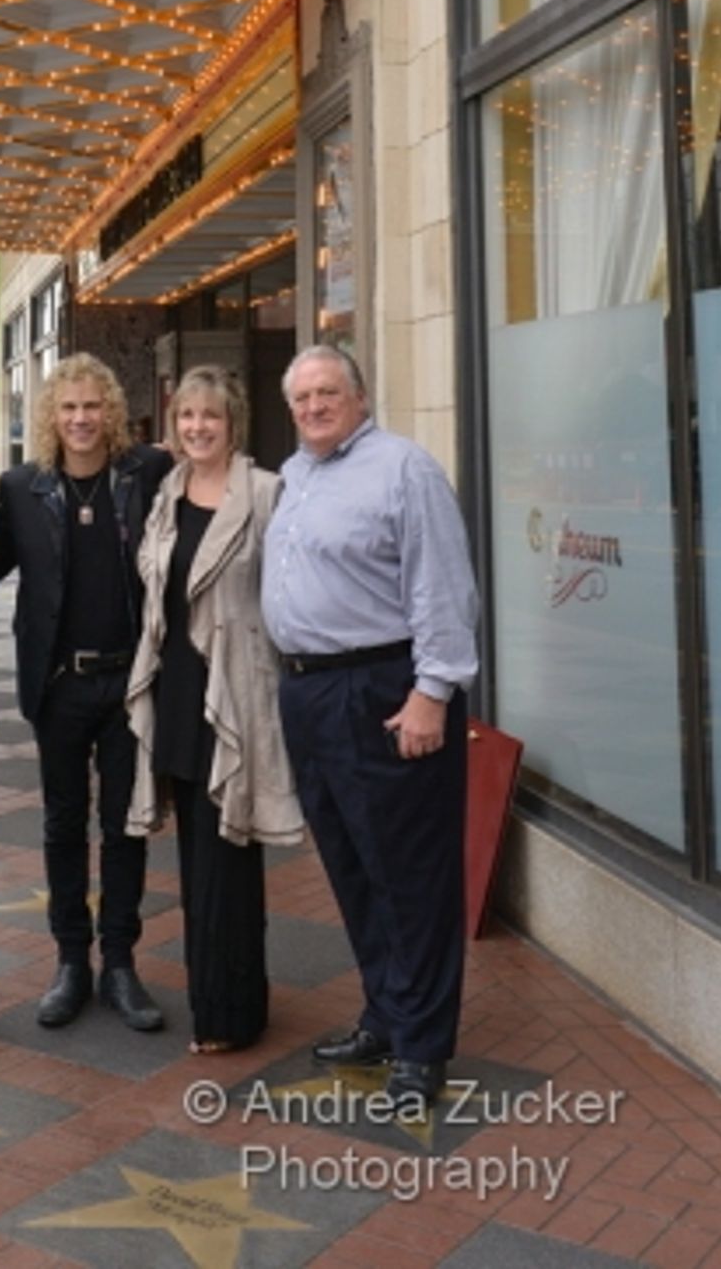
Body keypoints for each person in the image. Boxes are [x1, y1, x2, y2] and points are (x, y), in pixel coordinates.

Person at [261, 344, 479, 1114]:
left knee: (408, 874)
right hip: (312, 694)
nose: (314, 407)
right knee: (354, 867)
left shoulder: (403, 468)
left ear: (359, 395)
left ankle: (423, 1046)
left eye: (327, 393)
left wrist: (433, 692)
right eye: (302, 398)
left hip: (383, 691)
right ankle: (387, 1015)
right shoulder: (296, 475)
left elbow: (443, 586)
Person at [125, 367, 302, 1053]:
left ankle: (230, 1012)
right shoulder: (165, 491)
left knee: (229, 857)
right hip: (176, 692)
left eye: (212, 417)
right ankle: (217, 999)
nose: (198, 427)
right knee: (195, 862)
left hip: (236, 693)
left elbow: (292, 590)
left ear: (235, 424)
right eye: (187, 416)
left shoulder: (266, 493)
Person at [0, 353, 173, 1031]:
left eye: (92, 406)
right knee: (63, 826)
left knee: (126, 828)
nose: (80, 420)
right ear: (51, 415)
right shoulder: (22, 488)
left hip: (130, 684)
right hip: (60, 684)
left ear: (112, 412)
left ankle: (121, 964)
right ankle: (71, 961)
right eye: (68, 408)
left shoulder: (146, 474)